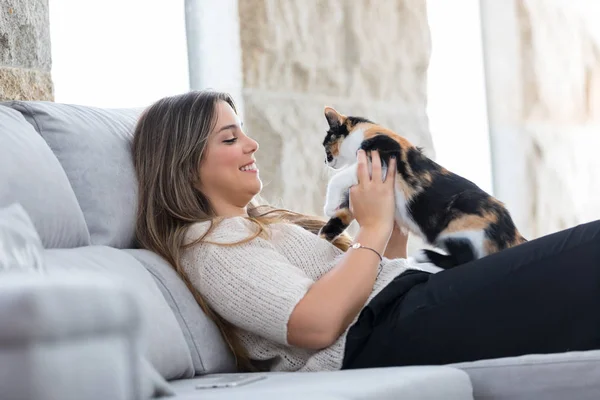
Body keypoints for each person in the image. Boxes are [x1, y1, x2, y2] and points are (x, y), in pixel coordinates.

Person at [131, 89, 600, 373]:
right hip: (385, 333)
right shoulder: (210, 246)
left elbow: (363, 277)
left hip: (403, 309)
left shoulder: (258, 225)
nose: (252, 144)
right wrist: (372, 230)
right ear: (184, 165)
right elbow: (314, 325)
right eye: (230, 138)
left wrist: (388, 222)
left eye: (243, 132)